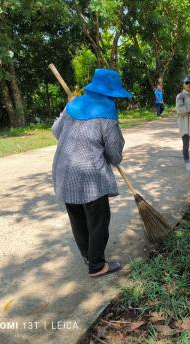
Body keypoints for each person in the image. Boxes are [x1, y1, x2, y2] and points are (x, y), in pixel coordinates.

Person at [52, 68, 131, 278]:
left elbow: (56, 131)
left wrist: (70, 110)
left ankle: (88, 255)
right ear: (110, 93)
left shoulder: (73, 105)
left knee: (77, 217)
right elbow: (114, 153)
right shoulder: (108, 113)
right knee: (98, 219)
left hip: (64, 170)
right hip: (90, 176)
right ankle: (97, 266)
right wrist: (112, 158)